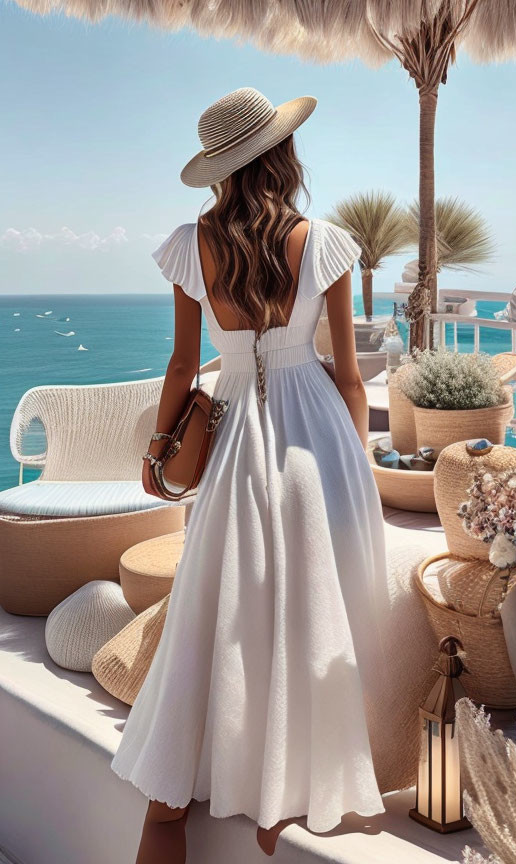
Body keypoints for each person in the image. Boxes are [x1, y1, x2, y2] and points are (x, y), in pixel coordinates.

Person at [109, 87, 393, 863]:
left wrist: (155, 454)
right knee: (309, 603)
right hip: (316, 434)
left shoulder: (190, 243)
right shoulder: (325, 242)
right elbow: (350, 376)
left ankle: (199, 783)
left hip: (235, 432)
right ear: (282, 154)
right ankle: (287, 790)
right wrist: (362, 462)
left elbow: (179, 362)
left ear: (219, 171)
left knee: (229, 603)